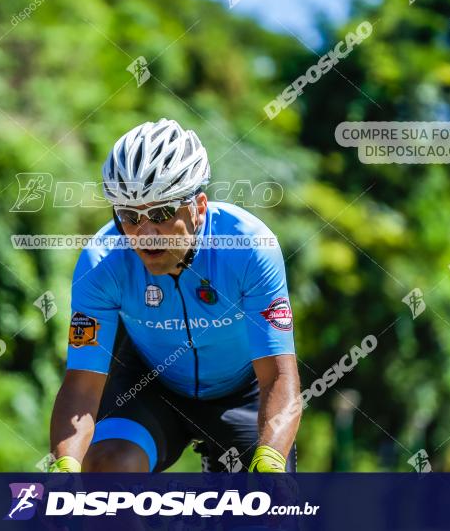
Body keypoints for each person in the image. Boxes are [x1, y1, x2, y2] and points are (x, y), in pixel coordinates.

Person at [48, 118, 301, 473]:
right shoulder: (101, 261)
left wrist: (271, 461)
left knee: (268, 506)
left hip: (243, 392)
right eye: (128, 216)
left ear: (198, 207)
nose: (145, 232)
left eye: (162, 213)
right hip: (150, 385)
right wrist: (65, 471)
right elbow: (82, 385)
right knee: (105, 472)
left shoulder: (250, 247)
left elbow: (279, 377)